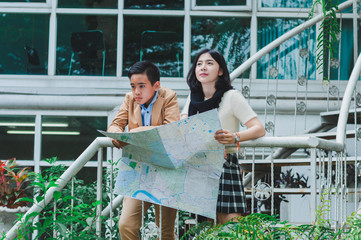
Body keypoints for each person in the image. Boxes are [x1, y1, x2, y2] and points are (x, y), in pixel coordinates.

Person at [181, 49, 265, 224]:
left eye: (209, 63)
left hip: (225, 165)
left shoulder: (231, 96)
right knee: (204, 228)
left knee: (231, 226)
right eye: (199, 64)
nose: (203, 67)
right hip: (199, 167)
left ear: (220, 71)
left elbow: (258, 129)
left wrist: (235, 136)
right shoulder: (192, 99)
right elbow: (183, 128)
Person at [107, 60, 179, 240]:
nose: (136, 92)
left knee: (165, 232)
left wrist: (134, 133)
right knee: (126, 225)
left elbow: (170, 130)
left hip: (165, 172)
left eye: (141, 86)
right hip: (138, 172)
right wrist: (117, 137)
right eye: (132, 86)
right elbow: (115, 125)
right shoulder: (129, 99)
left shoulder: (169, 97)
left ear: (156, 85)